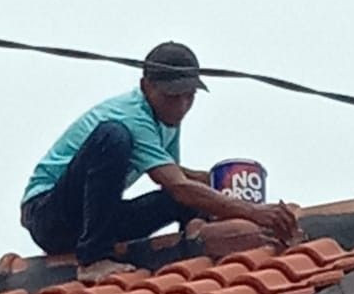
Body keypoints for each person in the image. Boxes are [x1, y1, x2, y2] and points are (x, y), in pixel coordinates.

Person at [20, 41, 298, 280]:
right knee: (114, 136)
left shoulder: (167, 120)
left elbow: (174, 176)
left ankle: (197, 242)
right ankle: (94, 257)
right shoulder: (131, 116)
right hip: (49, 215)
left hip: (95, 217)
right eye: (172, 97)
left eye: (189, 97)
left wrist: (213, 180)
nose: (181, 106)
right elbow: (177, 185)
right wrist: (252, 211)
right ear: (146, 86)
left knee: (191, 197)